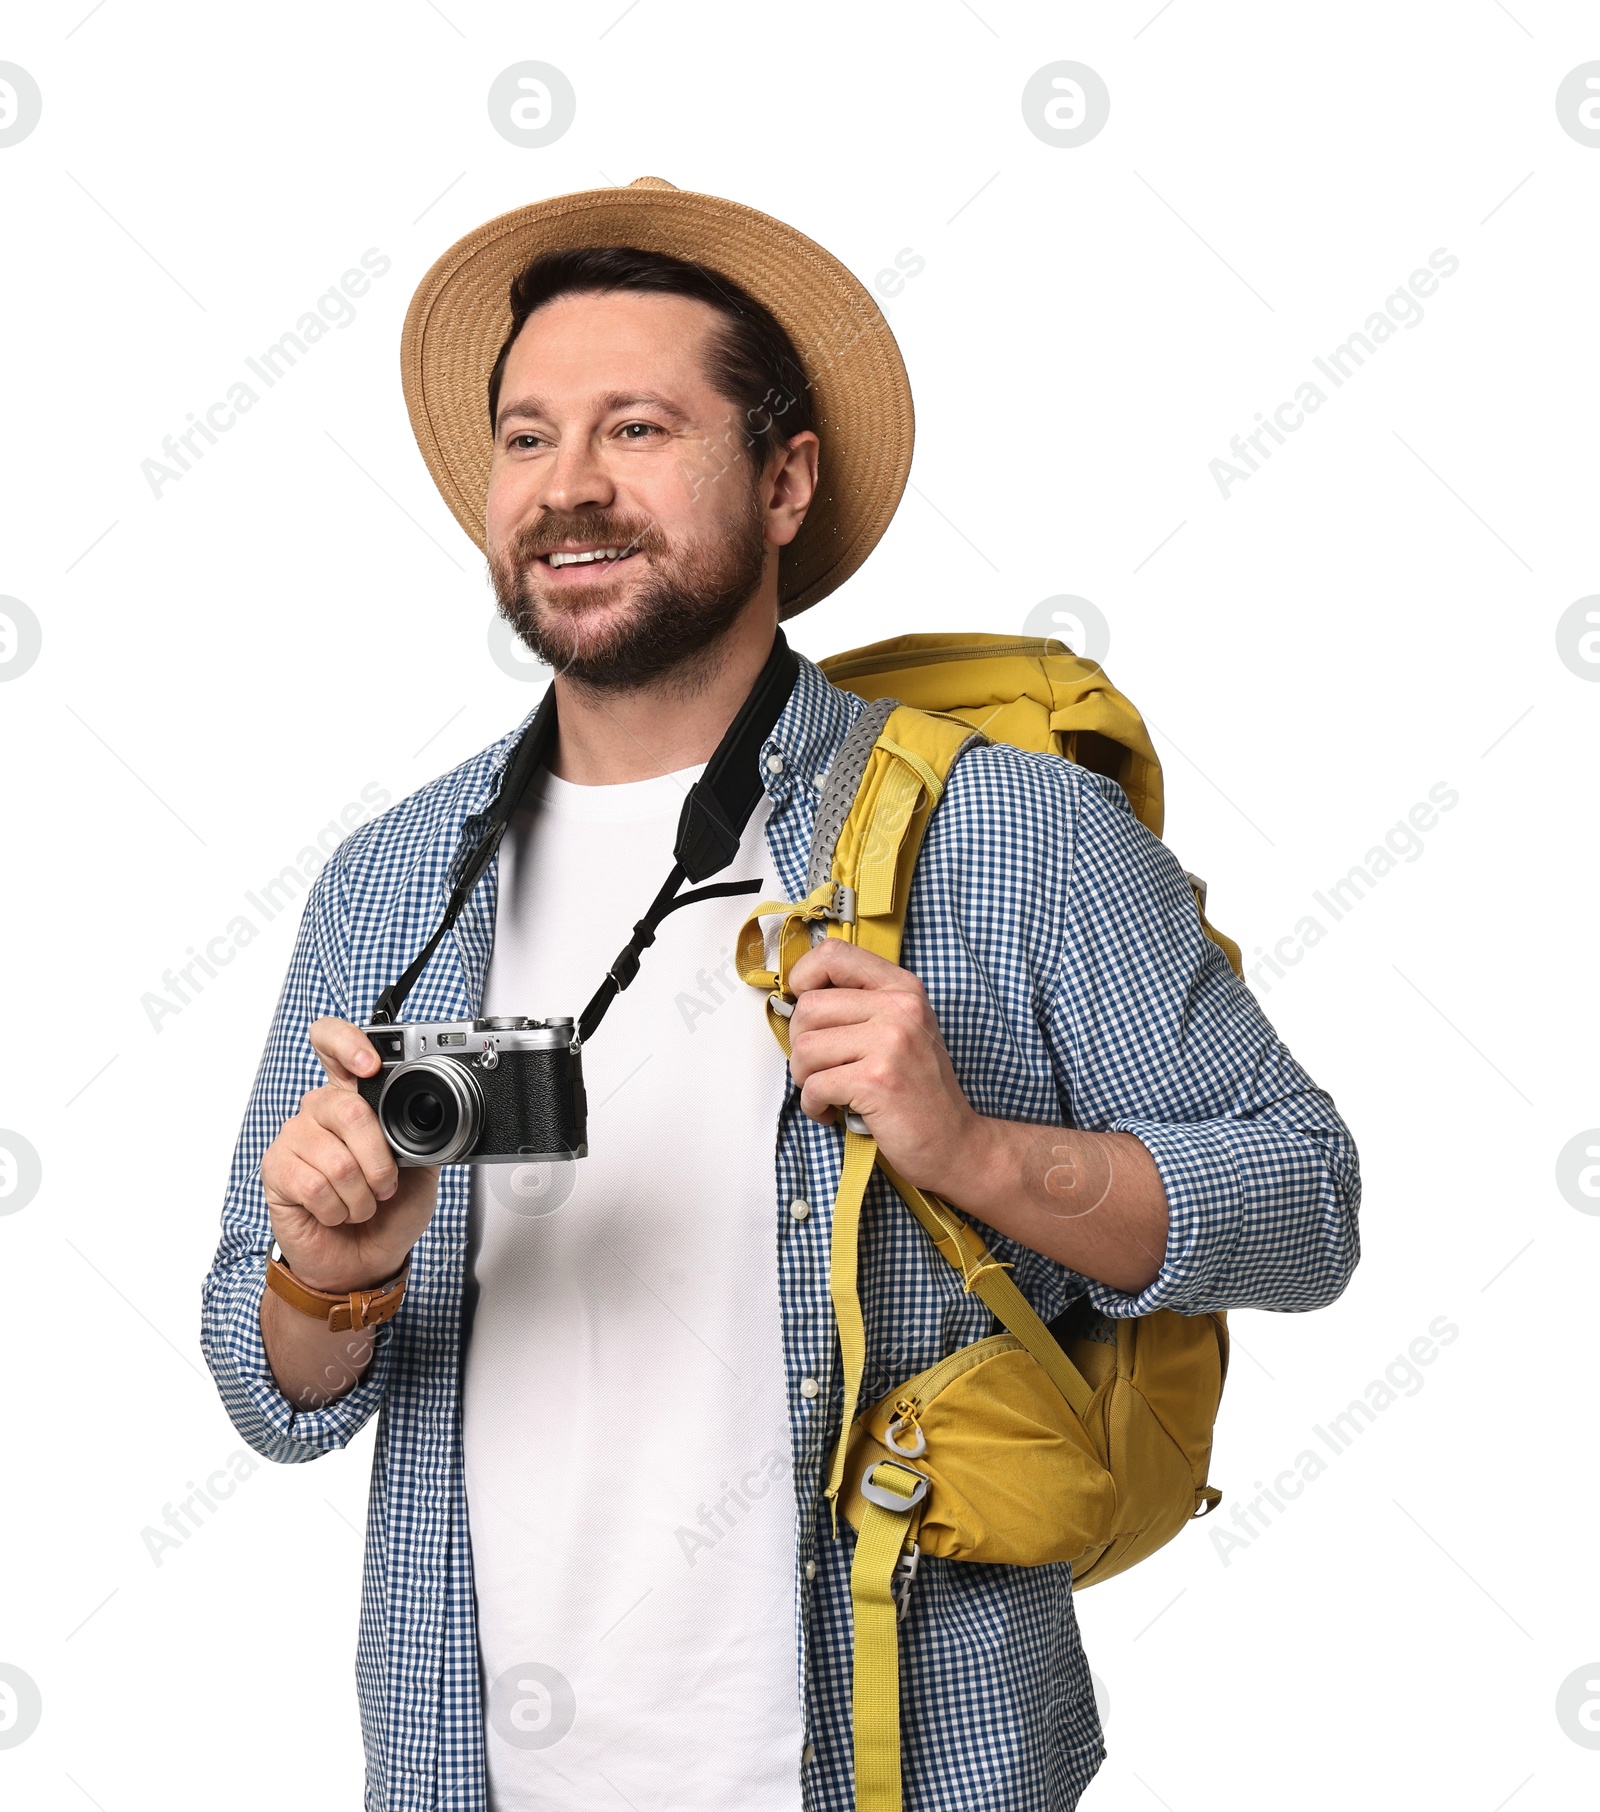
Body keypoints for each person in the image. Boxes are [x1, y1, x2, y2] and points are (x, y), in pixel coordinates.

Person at [202, 177, 1361, 1812]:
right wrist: (326, 1280)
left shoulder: (1004, 831)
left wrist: (972, 1148)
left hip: (909, 1765)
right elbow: (269, 1390)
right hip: (475, 1772)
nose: (570, 488)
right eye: (527, 438)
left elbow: (1308, 1203)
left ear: (787, 477)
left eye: (639, 429)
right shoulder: (394, 882)